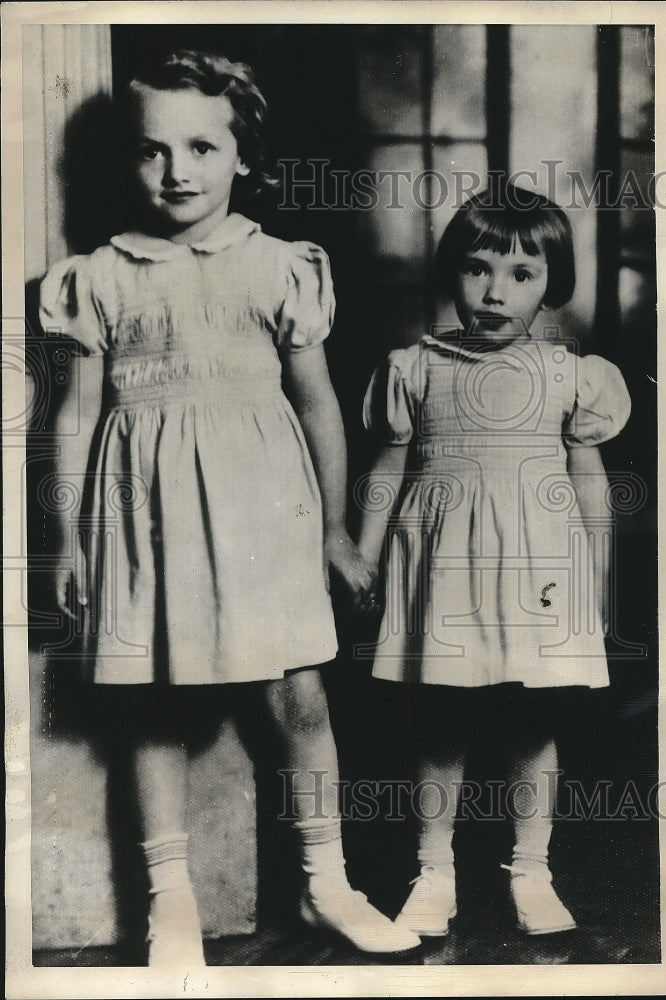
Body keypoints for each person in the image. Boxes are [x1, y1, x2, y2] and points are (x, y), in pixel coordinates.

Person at [40, 49, 421, 966]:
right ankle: (170, 903)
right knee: (157, 705)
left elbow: (319, 404)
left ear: (244, 155)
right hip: (145, 517)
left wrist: (333, 527)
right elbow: (77, 415)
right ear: (126, 161)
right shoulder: (101, 276)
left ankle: (326, 882)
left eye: (202, 148)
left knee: (299, 695)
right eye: (152, 151)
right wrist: (67, 537)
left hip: (265, 513)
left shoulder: (279, 267)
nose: (177, 172)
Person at [357, 181, 631, 938]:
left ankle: (531, 871)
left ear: (551, 284)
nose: (494, 291)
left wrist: (597, 582)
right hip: (440, 566)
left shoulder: (571, 374)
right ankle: (433, 872)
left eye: (521, 274)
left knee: (530, 722)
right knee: (440, 719)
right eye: (478, 268)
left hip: (537, 568)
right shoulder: (412, 367)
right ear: (451, 271)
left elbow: (588, 485)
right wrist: (366, 560)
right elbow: (384, 474)